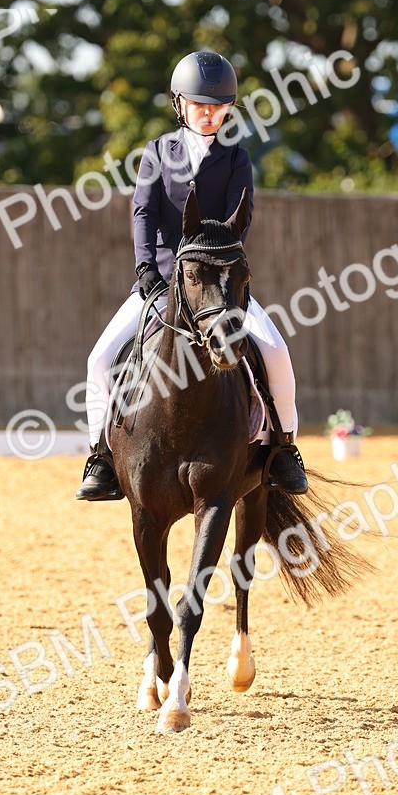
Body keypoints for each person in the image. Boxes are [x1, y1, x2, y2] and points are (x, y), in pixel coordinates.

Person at [75, 49, 307, 500]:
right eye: (199, 104)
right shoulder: (158, 152)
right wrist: (145, 266)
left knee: (276, 352)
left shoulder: (237, 159)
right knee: (99, 360)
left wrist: (218, 272)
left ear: (228, 109)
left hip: (218, 287)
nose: (208, 113)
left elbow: (239, 220)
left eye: (218, 106)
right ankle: (101, 457)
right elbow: (143, 211)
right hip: (160, 282)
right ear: (179, 104)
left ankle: (283, 449)